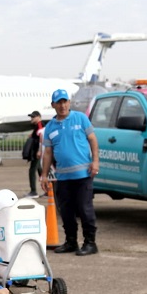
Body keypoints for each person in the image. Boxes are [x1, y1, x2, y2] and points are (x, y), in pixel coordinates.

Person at [40, 89, 100, 256]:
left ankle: (90, 242)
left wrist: (95, 161)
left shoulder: (80, 118)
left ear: (69, 103)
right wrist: (44, 175)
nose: (62, 105)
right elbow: (48, 153)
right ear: (53, 105)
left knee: (84, 209)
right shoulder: (50, 127)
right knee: (66, 211)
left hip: (83, 175)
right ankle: (71, 241)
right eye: (58, 102)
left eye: (65, 101)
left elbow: (93, 140)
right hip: (63, 177)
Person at [24, 111, 45, 198]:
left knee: (32, 170)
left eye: (33, 117)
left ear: (38, 117)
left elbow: (41, 136)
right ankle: (48, 189)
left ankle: (33, 191)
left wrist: (39, 150)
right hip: (37, 151)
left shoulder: (40, 124)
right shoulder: (38, 126)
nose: (31, 119)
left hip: (37, 152)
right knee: (40, 169)